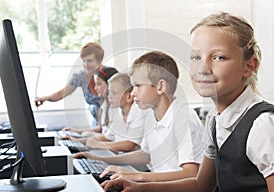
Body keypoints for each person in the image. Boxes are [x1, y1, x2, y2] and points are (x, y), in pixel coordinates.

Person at [101, 12, 274, 192]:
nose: (203, 68)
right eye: (196, 57)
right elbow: (200, 188)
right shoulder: (215, 122)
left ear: (249, 66)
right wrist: (138, 187)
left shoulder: (265, 126)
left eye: (219, 57)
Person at [79, 51, 204, 183]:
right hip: (160, 187)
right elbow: (146, 155)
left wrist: (137, 176)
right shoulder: (151, 114)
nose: (132, 93)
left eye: (138, 86)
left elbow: (191, 173)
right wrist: (100, 160)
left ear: (160, 86)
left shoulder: (184, 118)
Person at [74, 73, 154, 153]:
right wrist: (77, 141)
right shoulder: (118, 112)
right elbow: (109, 137)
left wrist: (99, 145)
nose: (109, 96)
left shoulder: (139, 111)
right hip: (121, 155)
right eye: (109, 93)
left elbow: (130, 144)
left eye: (114, 93)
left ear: (129, 97)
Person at [35, 42, 105, 126]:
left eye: (89, 61)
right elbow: (61, 93)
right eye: (84, 61)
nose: (86, 65)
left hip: (112, 123)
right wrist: (45, 98)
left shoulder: (110, 75)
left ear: (99, 60)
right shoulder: (80, 76)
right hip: (97, 124)